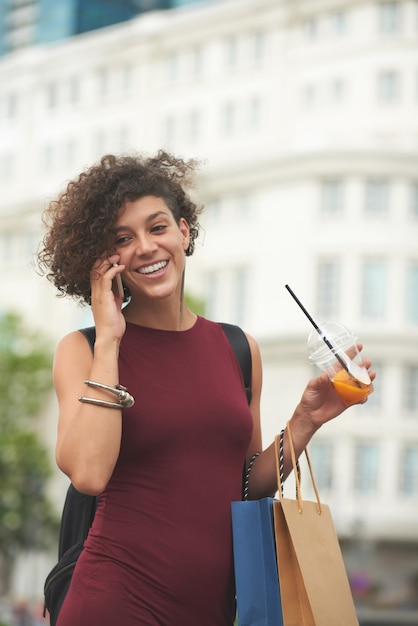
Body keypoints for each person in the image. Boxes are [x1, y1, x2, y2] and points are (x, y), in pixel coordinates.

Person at [37, 151, 375, 626]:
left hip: (211, 609)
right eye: (123, 239)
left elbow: (243, 486)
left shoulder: (238, 348)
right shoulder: (85, 348)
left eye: (157, 228)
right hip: (115, 601)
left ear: (184, 231)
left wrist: (306, 419)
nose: (146, 247)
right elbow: (88, 474)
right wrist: (110, 337)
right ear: (104, 260)